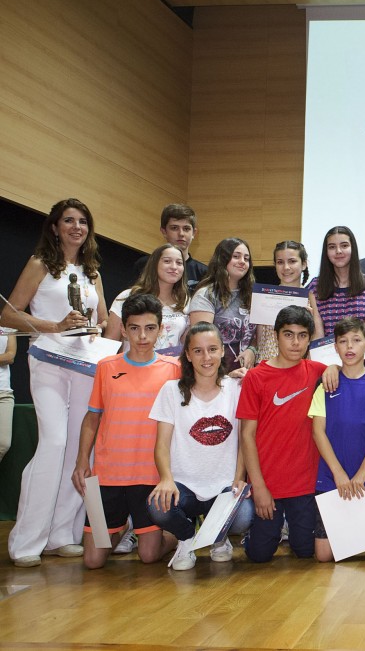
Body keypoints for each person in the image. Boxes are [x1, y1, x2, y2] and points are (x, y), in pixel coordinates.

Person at [2, 198, 109, 568]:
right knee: (54, 442)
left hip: (85, 365)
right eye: (69, 220)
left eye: (83, 221)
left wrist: (106, 335)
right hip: (46, 360)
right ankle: (26, 540)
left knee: (81, 448)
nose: (76, 227)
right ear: (54, 227)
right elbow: (8, 314)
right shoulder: (39, 265)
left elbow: (105, 319)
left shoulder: (93, 272)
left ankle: (63, 534)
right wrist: (55, 326)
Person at [70, 293, 181, 569]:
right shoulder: (106, 367)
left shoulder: (174, 369)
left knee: (149, 556)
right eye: (134, 328)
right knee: (93, 561)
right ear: (124, 329)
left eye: (149, 328)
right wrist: (82, 460)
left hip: (151, 477)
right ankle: (119, 531)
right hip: (106, 476)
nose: (142, 336)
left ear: (160, 329)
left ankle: (181, 537)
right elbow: (92, 418)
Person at [147, 322, 254, 570]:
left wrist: (239, 478)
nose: (206, 357)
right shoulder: (170, 391)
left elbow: (243, 442)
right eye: (198, 351)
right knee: (157, 507)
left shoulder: (237, 388)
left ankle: (219, 537)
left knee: (245, 516)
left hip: (223, 486)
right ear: (187, 355)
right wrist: (165, 478)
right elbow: (161, 445)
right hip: (184, 486)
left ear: (221, 352)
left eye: (213, 349)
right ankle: (187, 539)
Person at [237, 306, 328, 563]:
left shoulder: (319, 371)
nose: (295, 342)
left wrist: (334, 369)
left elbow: (345, 374)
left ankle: (292, 533)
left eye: (302, 335)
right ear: (276, 336)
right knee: (259, 555)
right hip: (269, 484)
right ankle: (258, 534)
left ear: (310, 339)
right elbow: (246, 437)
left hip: (305, 484)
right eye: (288, 334)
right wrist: (260, 488)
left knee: (305, 551)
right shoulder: (256, 378)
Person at [309, 317, 365, 561]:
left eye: (356, 340)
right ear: (335, 347)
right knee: (323, 556)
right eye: (343, 342)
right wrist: (338, 473)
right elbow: (318, 432)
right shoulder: (326, 384)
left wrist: (362, 472)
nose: (349, 347)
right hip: (331, 476)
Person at [106, 243, 189, 354]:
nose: (174, 267)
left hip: (171, 368)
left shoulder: (186, 300)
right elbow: (110, 341)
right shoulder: (127, 296)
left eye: (179, 263)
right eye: (167, 261)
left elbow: (186, 342)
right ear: (154, 265)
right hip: (133, 367)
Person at [189, 237, 256, 372]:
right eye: (236, 256)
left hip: (247, 377)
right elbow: (201, 343)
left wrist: (252, 350)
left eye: (246, 258)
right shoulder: (206, 295)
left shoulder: (253, 295)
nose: (242, 262)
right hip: (215, 376)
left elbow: (257, 335)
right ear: (222, 259)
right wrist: (224, 376)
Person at [309, 227, 365, 340]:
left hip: (363, 356)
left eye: (344, 246)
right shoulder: (315, 287)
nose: (338, 251)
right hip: (325, 356)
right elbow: (318, 336)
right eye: (332, 247)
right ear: (326, 252)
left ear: (353, 248)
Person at [132, 204, 208, 293]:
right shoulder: (145, 264)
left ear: (194, 233)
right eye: (174, 228)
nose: (181, 234)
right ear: (164, 231)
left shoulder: (205, 272)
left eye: (186, 229)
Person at [256, 240, 310, 361]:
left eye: (292, 261)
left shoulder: (312, 300)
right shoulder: (265, 297)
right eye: (280, 262)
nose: (286, 267)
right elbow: (259, 340)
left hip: (300, 372)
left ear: (304, 264)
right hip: (267, 369)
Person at [0, 329, 16, 464]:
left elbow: (10, 356)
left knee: (3, 444)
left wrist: (5, 357)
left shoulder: (7, 322)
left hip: (3, 392)